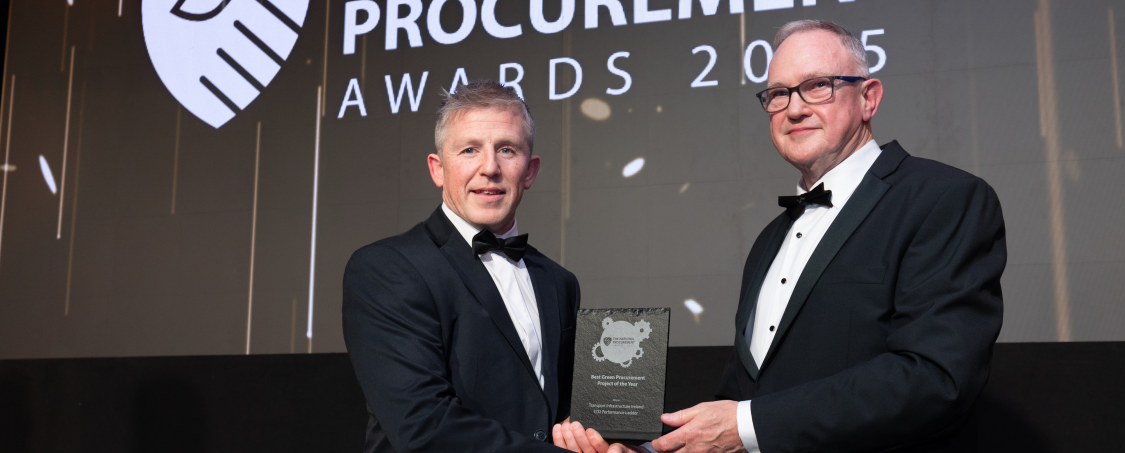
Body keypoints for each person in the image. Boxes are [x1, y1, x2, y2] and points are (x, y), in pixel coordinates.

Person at [556, 19, 1005, 453]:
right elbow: (741, 400)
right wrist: (653, 450)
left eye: (818, 86)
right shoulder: (769, 240)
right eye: (778, 94)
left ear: (868, 98)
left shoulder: (944, 199)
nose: (794, 108)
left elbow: (936, 379)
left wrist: (745, 426)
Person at [343, 80, 581, 452]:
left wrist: (615, 441)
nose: (490, 168)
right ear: (438, 169)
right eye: (470, 150)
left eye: (507, 149)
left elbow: (564, 411)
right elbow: (424, 428)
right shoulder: (386, 269)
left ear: (530, 171)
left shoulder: (558, 281)